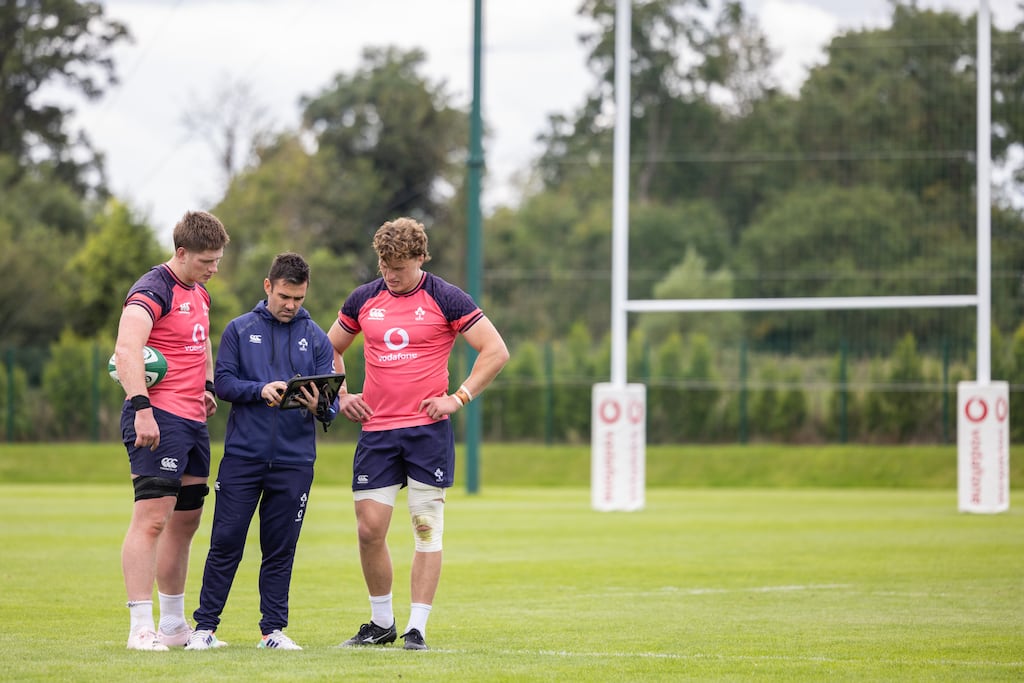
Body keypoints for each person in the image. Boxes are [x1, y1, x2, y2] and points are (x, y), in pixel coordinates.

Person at [329, 217, 510, 651]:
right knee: (369, 529)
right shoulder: (363, 300)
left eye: (401, 266)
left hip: (427, 432)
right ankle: (381, 623)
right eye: (385, 265)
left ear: (420, 258)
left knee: (426, 527)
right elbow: (329, 347)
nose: (391, 274)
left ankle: (417, 628)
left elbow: (495, 350)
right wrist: (341, 395)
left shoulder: (445, 297)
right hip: (376, 432)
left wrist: (458, 397)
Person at [187, 252, 338, 651]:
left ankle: (272, 631)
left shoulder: (318, 338)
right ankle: (204, 629)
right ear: (268, 286)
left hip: (295, 461)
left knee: (280, 547)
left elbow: (331, 407)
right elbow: (223, 383)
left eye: (299, 299)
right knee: (226, 540)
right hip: (243, 457)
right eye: (285, 296)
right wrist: (260, 389)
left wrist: (317, 406)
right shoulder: (239, 329)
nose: (291, 305)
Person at [115, 210, 230, 651]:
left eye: (218, 259)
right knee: (152, 521)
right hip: (157, 418)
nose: (214, 268)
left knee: (186, 522)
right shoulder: (152, 289)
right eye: (206, 260)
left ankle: (175, 626)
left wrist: (205, 386)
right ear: (181, 253)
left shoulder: (199, 292)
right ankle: (140, 628)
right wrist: (142, 408)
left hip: (193, 421)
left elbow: (199, 344)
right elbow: (127, 349)